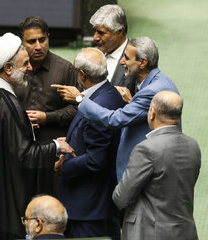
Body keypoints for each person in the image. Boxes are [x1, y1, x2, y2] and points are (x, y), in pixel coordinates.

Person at [0, 33, 73, 240]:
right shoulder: (6, 103)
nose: (30, 68)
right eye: (25, 64)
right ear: (8, 69)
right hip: (6, 200)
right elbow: (24, 153)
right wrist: (56, 145)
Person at [77, 36, 180, 181]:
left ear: (143, 63)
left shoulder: (151, 91)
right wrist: (132, 102)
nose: (121, 62)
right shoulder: (162, 81)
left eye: (126, 58)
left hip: (148, 174)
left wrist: (81, 100)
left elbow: (115, 119)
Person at [55, 48, 124, 239]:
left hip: (89, 210)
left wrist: (64, 167)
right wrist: (69, 141)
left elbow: (95, 159)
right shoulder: (108, 94)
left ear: (82, 74)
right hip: (95, 205)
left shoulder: (98, 105)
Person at [113, 91, 200, 240]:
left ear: (152, 113)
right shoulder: (193, 145)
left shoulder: (146, 149)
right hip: (186, 233)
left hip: (148, 234)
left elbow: (121, 197)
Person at [14, 16, 80, 142]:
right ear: (22, 42)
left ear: (48, 37)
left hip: (54, 147)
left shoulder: (65, 69)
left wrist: (47, 117)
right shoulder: (12, 68)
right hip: (19, 144)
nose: (38, 46)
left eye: (42, 40)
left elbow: (77, 108)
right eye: (32, 41)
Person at [52, 4, 135, 101]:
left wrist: (80, 99)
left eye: (101, 33)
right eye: (94, 31)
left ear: (120, 31)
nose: (95, 38)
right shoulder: (91, 55)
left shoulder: (137, 59)